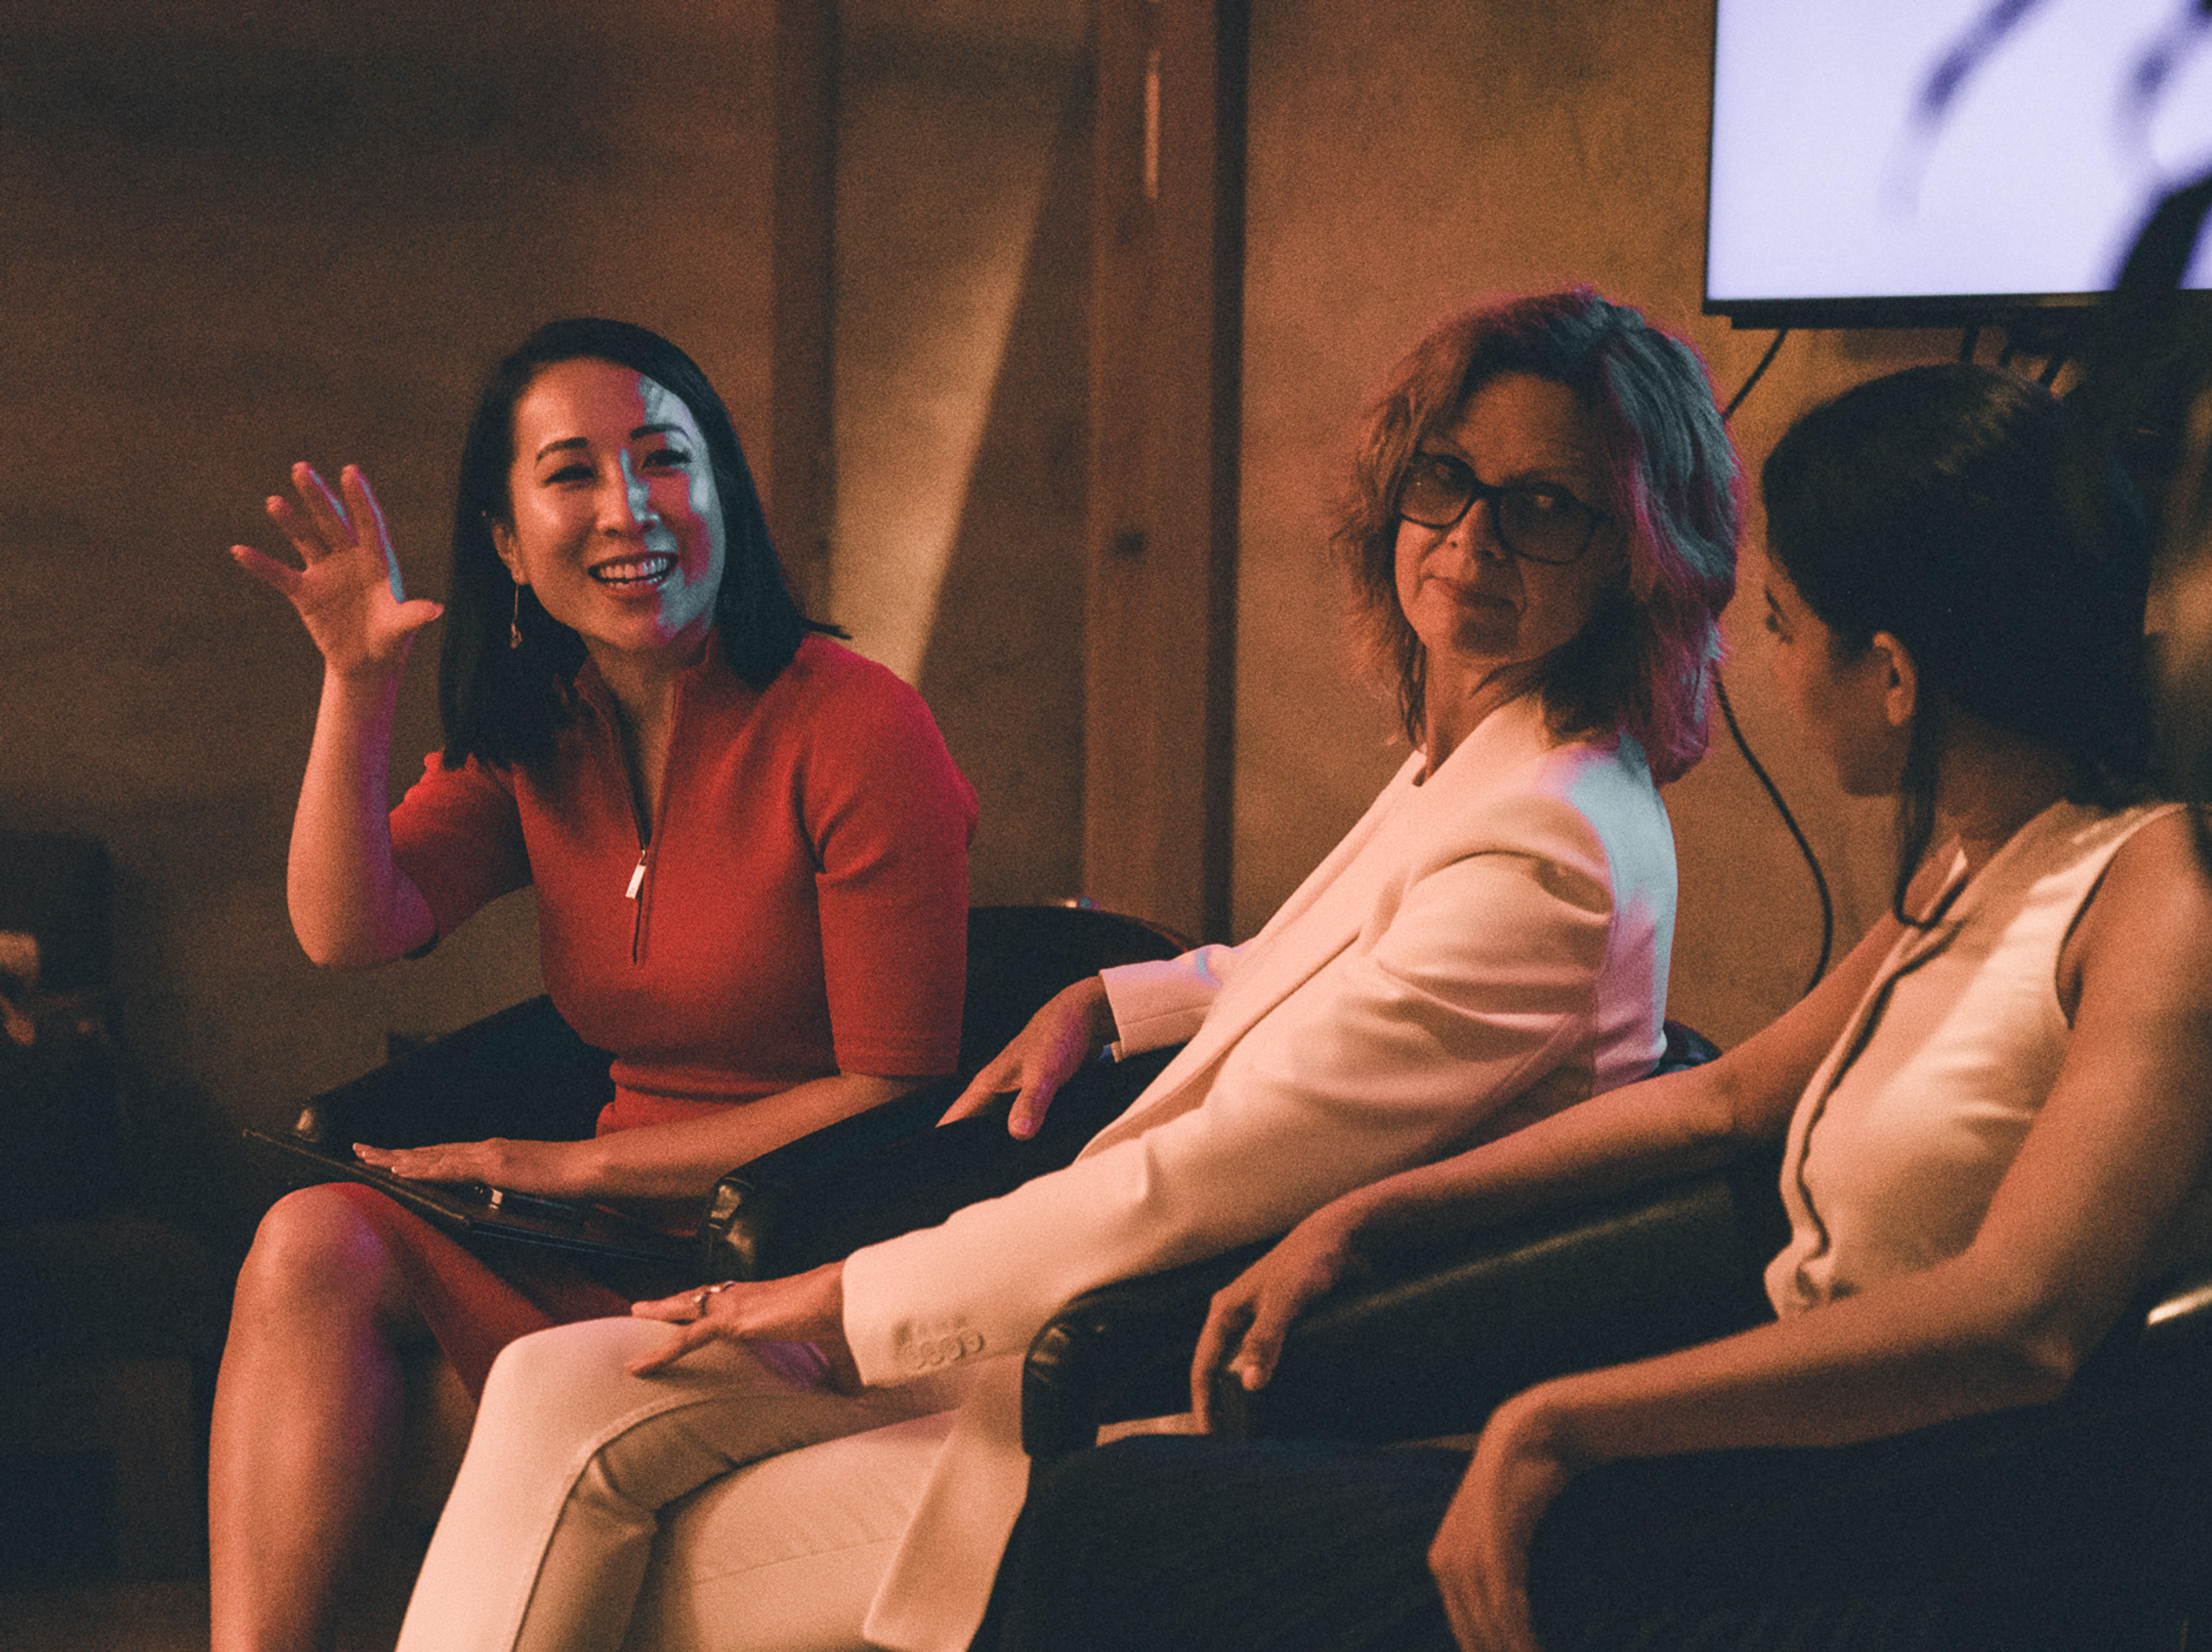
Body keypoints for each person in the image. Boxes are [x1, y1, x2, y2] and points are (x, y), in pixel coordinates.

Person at [390, 286, 1741, 1652]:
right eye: (1448, 481)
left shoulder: (1549, 846)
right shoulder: (1490, 759)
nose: (1470, 540)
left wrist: (835, 1291)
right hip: (1088, 1318)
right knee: (558, 1389)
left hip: (1193, 1380)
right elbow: (1341, 965)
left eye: (1546, 507)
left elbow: (1199, 1180)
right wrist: (1125, 994)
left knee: (622, 1529)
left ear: (1641, 556)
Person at [967, 361, 2212, 1652]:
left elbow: (2020, 1315)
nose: (1764, 669)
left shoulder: (2174, 886)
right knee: (1112, 1518)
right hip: (1788, 1488)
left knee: (1111, 1536)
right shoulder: (1986, 847)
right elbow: (1727, 1096)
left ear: (1894, 673)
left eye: (1781, 625)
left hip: (1916, 1559)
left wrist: (1565, 1421)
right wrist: (1360, 1216)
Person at [216, 318, 977, 1652]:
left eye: (664, 460)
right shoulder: (544, 729)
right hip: (602, 1257)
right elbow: (350, 923)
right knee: (310, 1240)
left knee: (405, 1410)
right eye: (572, 473)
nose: (629, 508)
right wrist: (357, 682)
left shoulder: (856, 723)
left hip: (791, 1263)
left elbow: (892, 1089)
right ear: (508, 542)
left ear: (720, 495)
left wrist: (557, 1166)